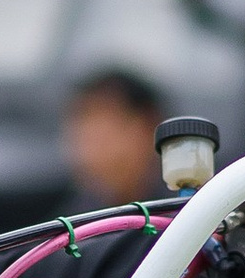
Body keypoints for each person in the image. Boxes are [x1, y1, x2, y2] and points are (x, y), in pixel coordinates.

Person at [60, 66, 166, 206]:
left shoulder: (189, 208)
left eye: (102, 138)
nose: (88, 154)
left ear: (147, 127)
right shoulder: (76, 222)